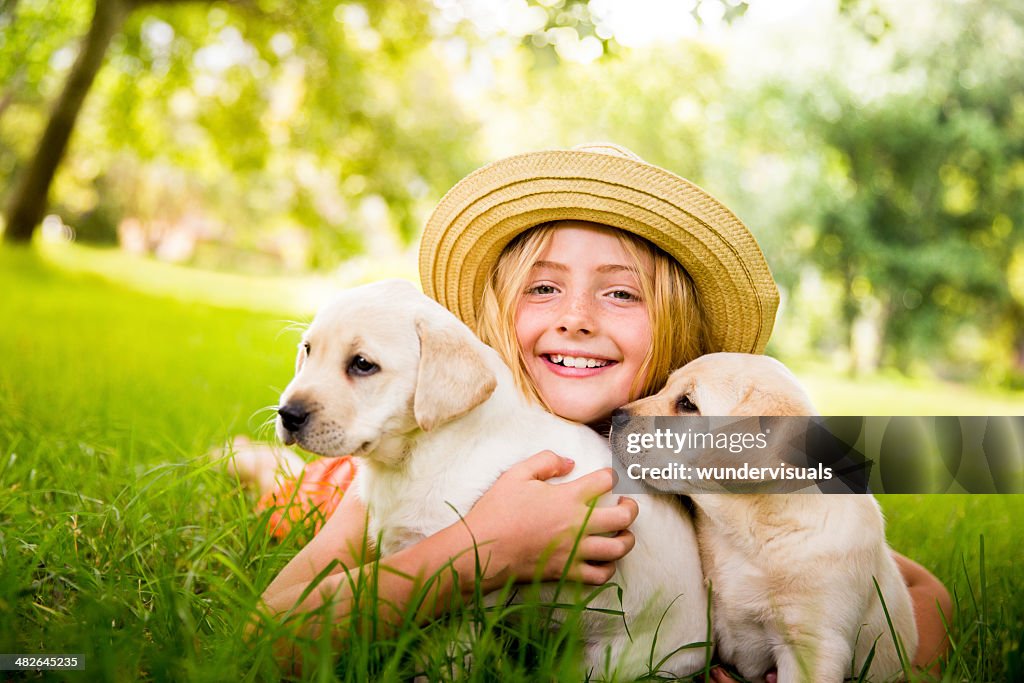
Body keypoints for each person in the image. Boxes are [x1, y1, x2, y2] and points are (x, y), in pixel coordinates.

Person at [252, 143, 951, 679]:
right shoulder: (433, 440)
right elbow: (269, 636)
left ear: (676, 330)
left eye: (620, 294)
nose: (577, 319)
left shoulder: (698, 451)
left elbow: (920, 588)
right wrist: (480, 549)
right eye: (543, 288)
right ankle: (258, 467)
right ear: (499, 313)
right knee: (300, 489)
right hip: (383, 468)